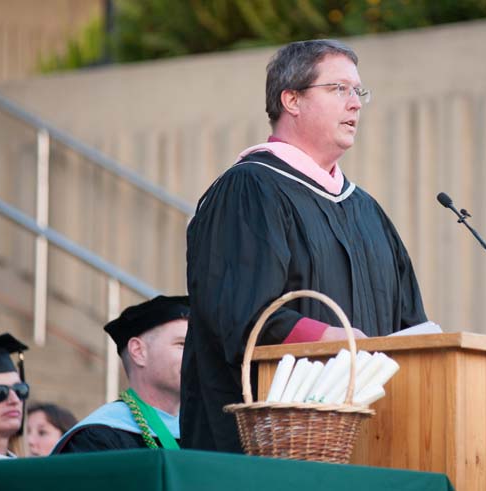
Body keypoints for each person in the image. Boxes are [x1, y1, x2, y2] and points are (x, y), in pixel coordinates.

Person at [181, 39, 427, 453]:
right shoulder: (250, 189)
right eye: (339, 89)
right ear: (291, 100)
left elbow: (409, 325)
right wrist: (334, 341)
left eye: (359, 91)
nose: (356, 104)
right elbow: (244, 319)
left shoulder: (367, 211)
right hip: (270, 448)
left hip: (373, 446)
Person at [52, 295, 188, 453]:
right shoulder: (95, 440)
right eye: (182, 344)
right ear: (138, 352)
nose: (195, 355)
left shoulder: (201, 433)